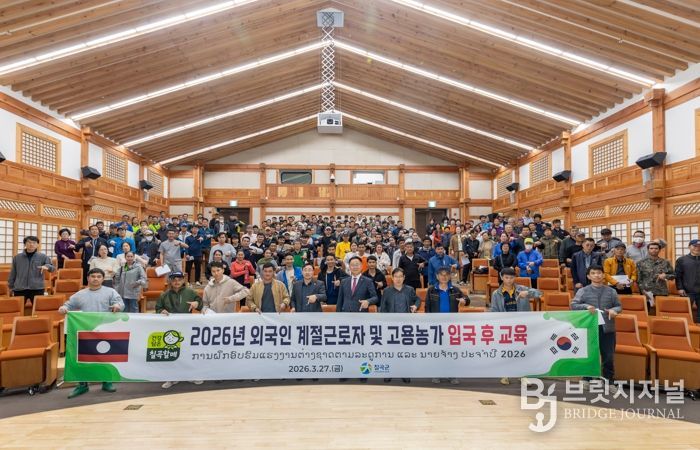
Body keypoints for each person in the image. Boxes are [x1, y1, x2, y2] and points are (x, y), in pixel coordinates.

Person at [58, 268, 124, 398]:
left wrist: (117, 306)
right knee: (82, 358)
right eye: (93, 276)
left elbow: (120, 303)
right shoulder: (80, 294)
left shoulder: (110, 292)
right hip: (85, 331)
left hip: (104, 330)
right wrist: (63, 308)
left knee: (105, 357)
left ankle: (107, 382)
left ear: (103, 279)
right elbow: (68, 305)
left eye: (99, 276)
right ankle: (82, 385)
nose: (95, 279)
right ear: (88, 278)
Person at [571, 265, 621, 388]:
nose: (596, 275)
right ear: (589, 276)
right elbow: (573, 305)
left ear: (603, 275)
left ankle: (609, 380)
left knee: (608, 356)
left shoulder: (611, 291)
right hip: (590, 328)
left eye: (599, 273)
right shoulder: (583, 291)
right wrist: (586, 307)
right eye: (593, 273)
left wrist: (614, 310)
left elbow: (618, 306)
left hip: (607, 328)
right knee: (589, 354)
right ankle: (587, 378)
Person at [490, 267, 538, 385]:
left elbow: (539, 293)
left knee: (522, 350)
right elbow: (494, 310)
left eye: (511, 278)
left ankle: (523, 375)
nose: (509, 280)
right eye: (506, 277)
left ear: (515, 278)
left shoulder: (522, 289)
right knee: (506, 351)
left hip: (521, 325)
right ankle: (505, 374)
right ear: (501, 277)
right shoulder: (496, 294)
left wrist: (528, 293)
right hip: (505, 326)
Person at [157, 272, 203, 389]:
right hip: (171, 328)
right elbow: (158, 308)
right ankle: (172, 377)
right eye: (174, 279)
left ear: (183, 280)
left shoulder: (190, 292)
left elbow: (200, 303)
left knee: (188, 351)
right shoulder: (164, 295)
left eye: (179, 279)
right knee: (172, 352)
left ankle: (191, 375)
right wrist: (161, 311)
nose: (177, 282)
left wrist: (196, 303)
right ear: (170, 281)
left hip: (187, 327)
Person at [425, 267, 469, 385]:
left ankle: (451, 374)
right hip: (436, 326)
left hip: (451, 326)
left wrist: (464, 300)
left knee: (451, 351)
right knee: (437, 351)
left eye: (446, 275)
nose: (444, 277)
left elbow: (466, 299)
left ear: (449, 276)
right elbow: (427, 309)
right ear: (437, 276)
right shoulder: (431, 290)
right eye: (441, 274)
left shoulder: (455, 290)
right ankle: (437, 374)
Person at [380, 268, 419, 384]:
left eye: (400, 276)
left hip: (405, 326)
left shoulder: (409, 289)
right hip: (391, 326)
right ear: (392, 278)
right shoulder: (387, 291)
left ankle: (404, 372)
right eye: (396, 276)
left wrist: (415, 306)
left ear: (404, 278)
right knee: (390, 351)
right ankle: (389, 372)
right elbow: (383, 308)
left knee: (404, 351)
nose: (398, 279)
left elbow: (417, 299)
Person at [8, 236, 54, 306]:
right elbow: (13, 272)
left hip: (37, 288)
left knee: (38, 309)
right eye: (29, 242)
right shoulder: (17, 257)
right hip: (20, 288)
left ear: (37, 245)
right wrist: (11, 286)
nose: (31, 244)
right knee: (17, 308)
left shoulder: (43, 256)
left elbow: (52, 268)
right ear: (25, 244)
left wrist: (47, 266)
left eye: (34, 243)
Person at [636, 241, 674, 306]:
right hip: (647, 291)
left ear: (659, 250)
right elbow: (639, 279)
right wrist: (642, 291)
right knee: (647, 311)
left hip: (661, 291)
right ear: (648, 250)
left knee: (662, 310)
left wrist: (666, 276)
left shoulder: (665, 262)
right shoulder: (640, 263)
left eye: (656, 248)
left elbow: (673, 275)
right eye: (651, 248)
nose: (654, 250)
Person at [675, 239, 700, 324]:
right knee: (685, 313)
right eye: (695, 246)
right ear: (689, 247)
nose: (697, 248)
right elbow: (678, 276)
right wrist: (680, 288)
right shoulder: (682, 260)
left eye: (699, 246)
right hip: (687, 291)